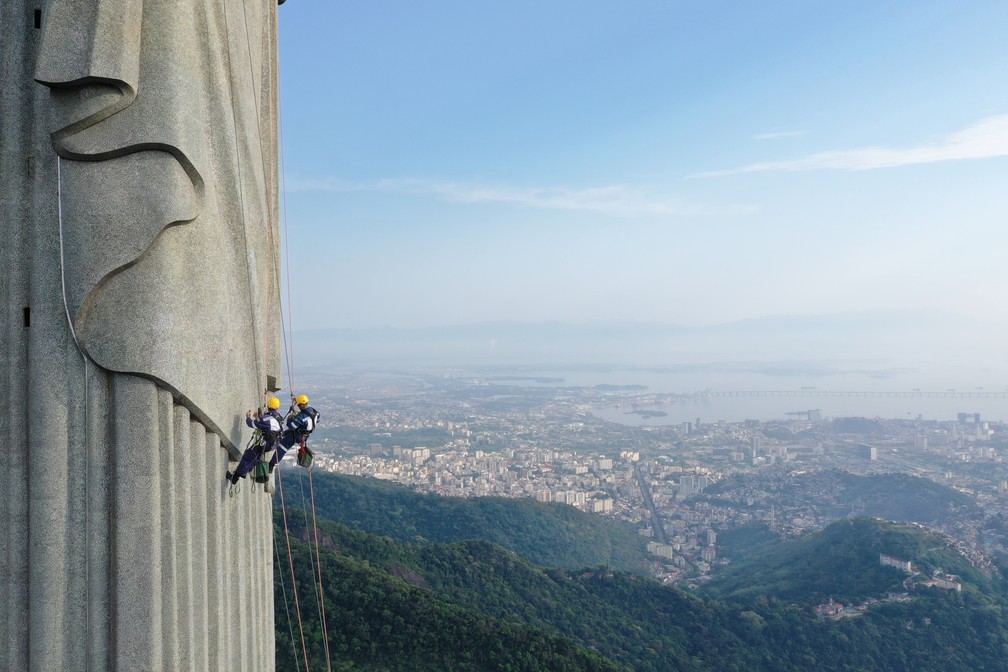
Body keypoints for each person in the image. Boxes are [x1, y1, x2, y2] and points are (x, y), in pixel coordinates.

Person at [227, 396, 283, 485]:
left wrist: (248, 417)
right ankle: (247, 469)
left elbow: (251, 424)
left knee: (248, 456)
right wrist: (260, 417)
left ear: (268, 406)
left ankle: (235, 477)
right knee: (255, 456)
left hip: (266, 443)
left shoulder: (267, 419)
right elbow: (268, 425)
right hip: (273, 443)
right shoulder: (278, 417)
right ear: (277, 408)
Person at [271, 394, 320, 468]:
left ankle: (271, 464)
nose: (298, 407)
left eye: (299, 405)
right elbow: (317, 419)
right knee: (283, 435)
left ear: (302, 405)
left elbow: (291, 426)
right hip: (304, 435)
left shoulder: (302, 417)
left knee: (282, 447)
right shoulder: (315, 412)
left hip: (297, 435)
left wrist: (290, 418)